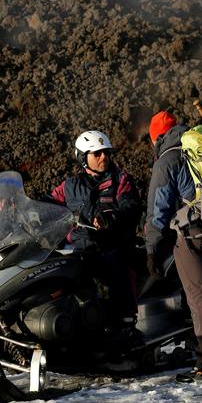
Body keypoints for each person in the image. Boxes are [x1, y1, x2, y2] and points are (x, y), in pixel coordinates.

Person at [146, 109, 202, 382]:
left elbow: (158, 210)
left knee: (197, 294)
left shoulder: (167, 160)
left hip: (192, 232)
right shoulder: (197, 149)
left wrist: (152, 249)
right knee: (198, 290)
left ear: (157, 138)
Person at [51, 130, 141, 343]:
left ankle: (125, 326)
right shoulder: (70, 186)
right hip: (81, 250)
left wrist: (110, 217)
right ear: (83, 158)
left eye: (106, 153)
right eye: (97, 154)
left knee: (113, 266)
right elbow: (47, 203)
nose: (104, 158)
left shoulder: (120, 179)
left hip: (111, 246)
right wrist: (18, 206)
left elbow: (130, 206)